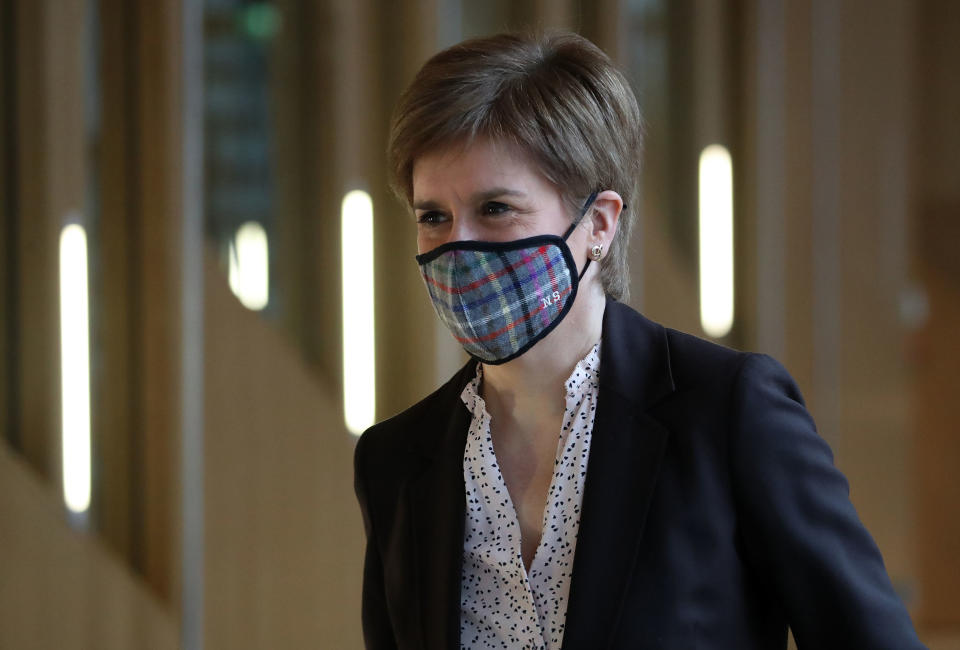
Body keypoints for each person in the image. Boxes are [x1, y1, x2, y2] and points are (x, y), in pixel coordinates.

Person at [353, 31, 925, 650]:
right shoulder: (395, 460)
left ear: (598, 223)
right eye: (433, 216)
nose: (458, 248)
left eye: (495, 208)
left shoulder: (727, 411)